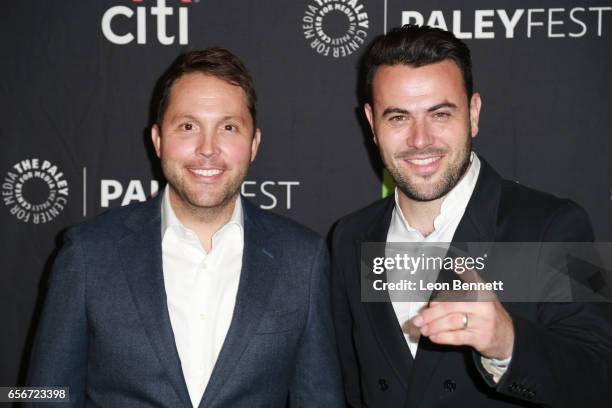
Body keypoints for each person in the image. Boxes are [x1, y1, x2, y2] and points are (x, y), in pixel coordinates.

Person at [28, 48, 343, 407]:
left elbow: (320, 399)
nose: (207, 149)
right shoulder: (87, 253)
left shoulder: (303, 258)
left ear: (253, 144)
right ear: (158, 140)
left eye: (228, 127)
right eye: (188, 126)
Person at [331, 25, 612, 407]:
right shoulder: (351, 237)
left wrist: (508, 343)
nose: (419, 140)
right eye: (398, 118)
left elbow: (601, 373)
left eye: (440, 114)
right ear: (372, 124)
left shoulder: (557, 226)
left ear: (473, 113)